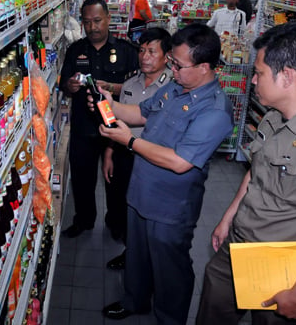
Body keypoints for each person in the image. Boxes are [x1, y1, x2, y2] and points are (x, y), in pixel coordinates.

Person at [196, 23, 296, 324]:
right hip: (236, 246)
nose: (252, 81)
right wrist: (228, 217)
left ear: (287, 76)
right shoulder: (274, 117)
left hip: (281, 265)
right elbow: (255, 174)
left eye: (259, 73)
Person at [94, 24, 234, 324]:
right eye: (172, 62)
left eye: (179, 65)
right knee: (137, 257)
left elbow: (180, 162)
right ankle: (135, 301)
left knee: (170, 269)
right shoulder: (175, 86)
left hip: (170, 208)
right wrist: (110, 103)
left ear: (205, 67)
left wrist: (129, 141)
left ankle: (169, 318)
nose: (173, 69)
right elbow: (141, 114)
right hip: (141, 190)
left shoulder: (215, 111)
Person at [59, 0, 138, 238]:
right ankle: (84, 220)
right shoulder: (75, 50)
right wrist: (70, 86)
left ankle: (116, 224)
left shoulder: (126, 51)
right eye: (87, 22)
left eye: (97, 21)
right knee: (82, 180)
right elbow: (63, 83)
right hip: (84, 127)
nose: (92, 27)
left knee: (116, 181)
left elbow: (136, 88)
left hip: (116, 129)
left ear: (108, 19)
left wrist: (112, 88)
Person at [103, 28, 173, 270]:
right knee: (124, 205)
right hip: (124, 153)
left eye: (152, 51)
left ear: (167, 57)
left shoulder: (172, 88)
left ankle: (145, 261)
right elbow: (117, 120)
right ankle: (130, 251)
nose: (145, 56)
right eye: (142, 50)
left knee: (147, 213)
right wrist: (110, 151)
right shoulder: (130, 83)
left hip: (152, 159)